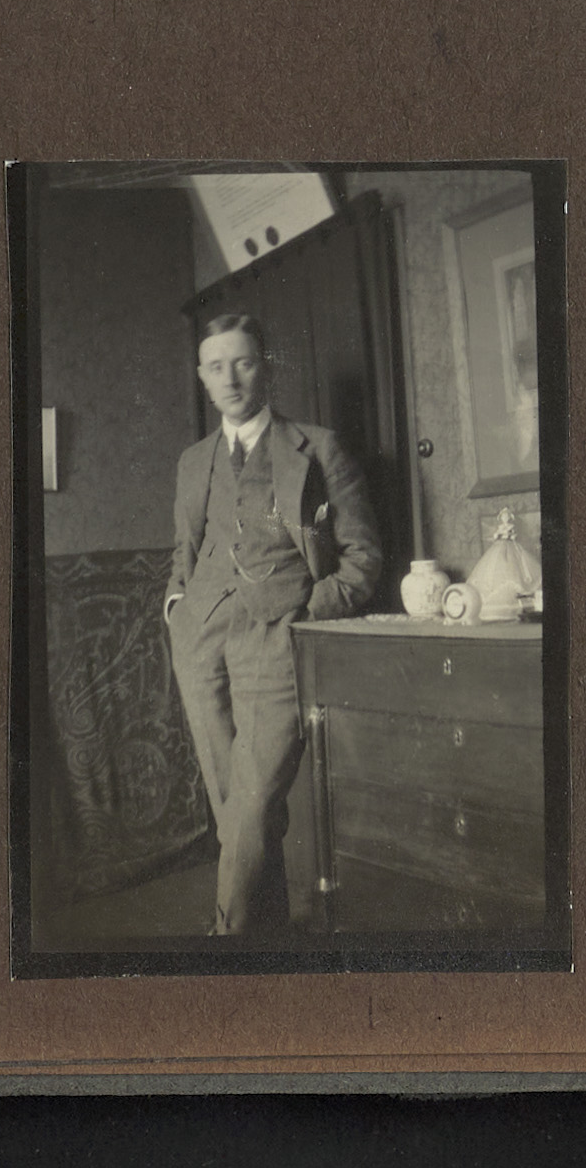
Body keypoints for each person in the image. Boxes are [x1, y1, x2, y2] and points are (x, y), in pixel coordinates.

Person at [157, 314, 382, 937]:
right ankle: (267, 932)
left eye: (243, 362)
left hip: (277, 636)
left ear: (266, 366)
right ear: (203, 377)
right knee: (230, 798)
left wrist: (305, 615)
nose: (230, 378)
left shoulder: (319, 447)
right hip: (199, 637)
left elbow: (363, 557)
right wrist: (176, 606)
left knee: (253, 800)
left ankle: (226, 938)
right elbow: (184, 549)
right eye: (216, 366)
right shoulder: (193, 461)